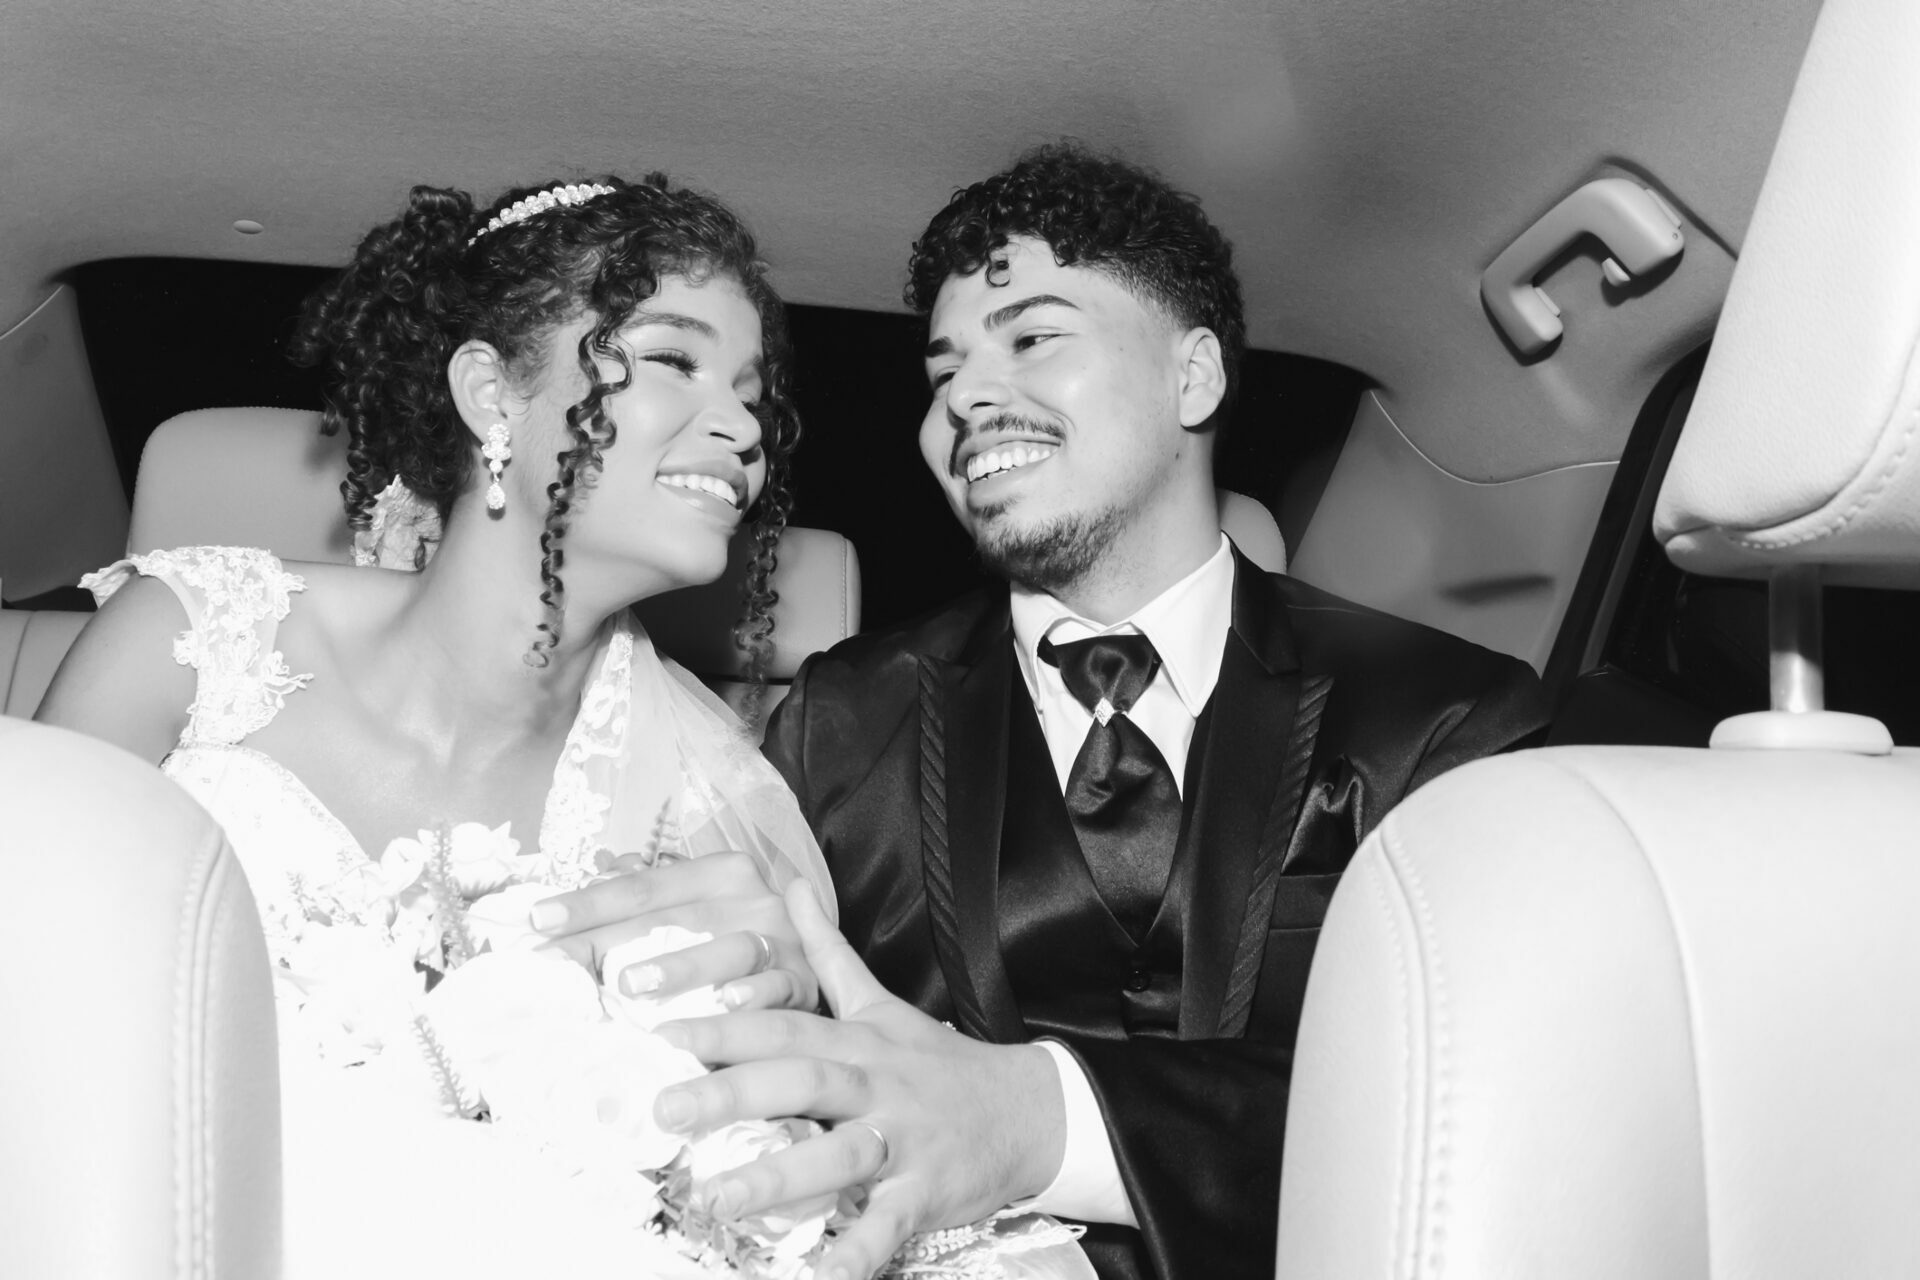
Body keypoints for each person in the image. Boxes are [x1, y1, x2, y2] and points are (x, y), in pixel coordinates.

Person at [542, 143, 1551, 1280]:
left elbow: (1500, 1109)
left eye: (1031, 339)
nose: (966, 399)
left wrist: (1038, 1119)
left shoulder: (1444, 715)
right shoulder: (842, 720)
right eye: (942, 374)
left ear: (1194, 378)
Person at [34, 175, 841, 1276]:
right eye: (672, 359)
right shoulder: (191, 642)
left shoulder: (701, 804)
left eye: (753, 393)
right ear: (491, 394)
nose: (744, 428)